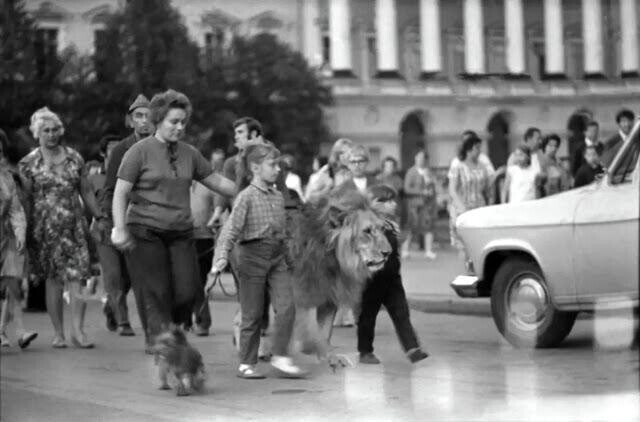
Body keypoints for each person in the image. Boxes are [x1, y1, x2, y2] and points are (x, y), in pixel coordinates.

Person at [110, 89, 236, 347]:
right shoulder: (138, 151)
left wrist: (249, 191)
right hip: (145, 230)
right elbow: (120, 192)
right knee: (158, 290)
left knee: (187, 291)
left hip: (180, 231)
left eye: (183, 122)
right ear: (158, 120)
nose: (180, 127)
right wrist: (119, 228)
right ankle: (161, 342)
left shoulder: (189, 153)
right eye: (174, 122)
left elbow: (216, 182)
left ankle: (170, 332)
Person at [208, 142, 306, 380]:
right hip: (251, 256)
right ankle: (246, 363)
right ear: (255, 167)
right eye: (272, 165)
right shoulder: (245, 197)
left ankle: (280, 355)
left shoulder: (277, 196)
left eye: (278, 165)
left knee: (287, 307)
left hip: (278, 256)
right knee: (252, 313)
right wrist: (221, 258)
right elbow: (230, 230)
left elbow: (284, 231)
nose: (278, 170)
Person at [19, 107, 102, 349]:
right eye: (46, 130)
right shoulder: (28, 163)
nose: (52, 134)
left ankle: (78, 331)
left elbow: (85, 189)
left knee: (77, 278)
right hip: (43, 229)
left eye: (56, 129)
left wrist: (98, 214)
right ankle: (58, 333)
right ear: (37, 133)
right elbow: (24, 198)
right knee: (53, 280)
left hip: (74, 226)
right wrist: (21, 229)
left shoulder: (74, 157)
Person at [98, 95, 154, 344]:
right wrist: (107, 219)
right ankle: (122, 319)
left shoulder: (160, 147)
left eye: (149, 116)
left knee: (132, 276)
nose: (144, 121)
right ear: (130, 121)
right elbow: (111, 188)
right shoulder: (121, 149)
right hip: (114, 219)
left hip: (143, 222)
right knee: (114, 275)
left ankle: (112, 307)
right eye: (139, 116)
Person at [358, 184, 429, 365]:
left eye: (393, 200)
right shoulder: (367, 224)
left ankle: (413, 349)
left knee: (401, 312)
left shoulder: (392, 223)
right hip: (372, 279)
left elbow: (395, 246)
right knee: (368, 316)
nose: (393, 204)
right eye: (387, 201)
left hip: (392, 278)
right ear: (374, 204)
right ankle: (365, 351)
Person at [0, 130, 38, 349]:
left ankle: (21, 331)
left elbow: (15, 209)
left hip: (6, 237)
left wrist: (20, 233)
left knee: (12, 282)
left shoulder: (6, 177)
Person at [186, 148, 226, 336]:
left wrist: (216, 216)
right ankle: (196, 320)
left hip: (204, 239)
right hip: (182, 237)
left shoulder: (209, 182)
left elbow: (219, 204)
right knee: (188, 282)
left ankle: (201, 321)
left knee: (197, 282)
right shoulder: (179, 182)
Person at [448, 134, 491, 252]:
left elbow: (487, 188)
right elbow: (452, 189)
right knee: (464, 245)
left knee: (479, 243)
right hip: (463, 209)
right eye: (477, 148)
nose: (479, 151)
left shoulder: (482, 166)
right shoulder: (458, 166)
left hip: (479, 208)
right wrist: (462, 207)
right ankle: (465, 269)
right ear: (469, 149)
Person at [402, 149, 438, 260]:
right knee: (411, 227)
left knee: (429, 227)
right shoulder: (411, 172)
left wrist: (431, 189)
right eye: (418, 158)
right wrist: (421, 191)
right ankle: (405, 250)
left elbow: (433, 187)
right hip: (414, 204)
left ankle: (428, 251)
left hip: (428, 204)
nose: (420, 160)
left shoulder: (429, 172)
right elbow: (407, 189)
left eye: (422, 158)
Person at [304, 138, 353, 203]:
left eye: (349, 153)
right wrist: (326, 190)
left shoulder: (352, 172)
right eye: (342, 153)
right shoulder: (327, 171)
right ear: (336, 154)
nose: (346, 156)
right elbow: (309, 197)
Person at [536, 134, 572, 198]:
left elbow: (567, 181)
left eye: (556, 146)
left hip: (561, 197)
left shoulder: (560, 163)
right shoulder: (539, 162)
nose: (553, 148)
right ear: (545, 146)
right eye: (550, 145)